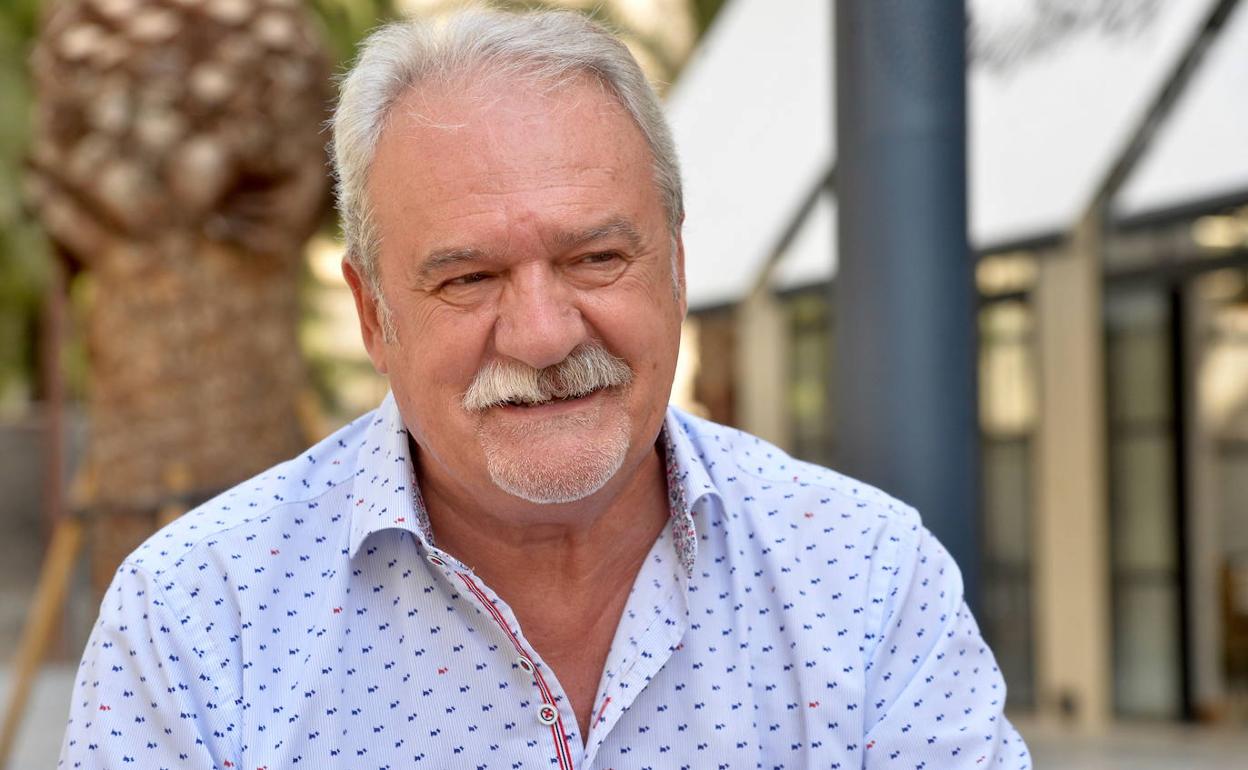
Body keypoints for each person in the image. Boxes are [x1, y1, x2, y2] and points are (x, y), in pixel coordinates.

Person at [59, 9, 1031, 769]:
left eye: (596, 258)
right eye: (469, 277)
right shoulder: (197, 622)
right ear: (372, 315)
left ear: (675, 268)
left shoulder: (867, 580)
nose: (543, 333)